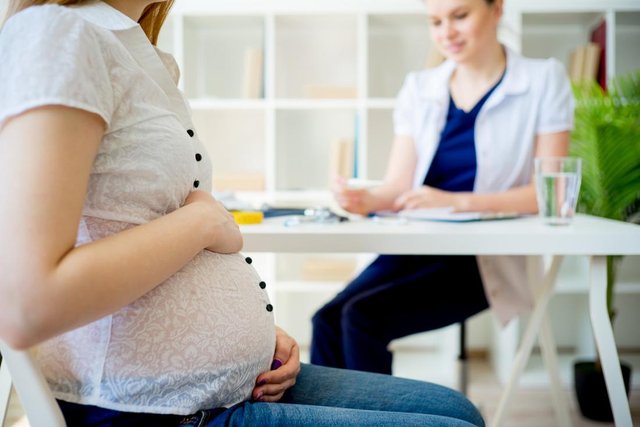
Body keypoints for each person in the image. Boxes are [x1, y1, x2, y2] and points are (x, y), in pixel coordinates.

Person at [0, 0, 485, 426]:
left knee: (459, 411)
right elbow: (28, 305)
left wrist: (253, 337)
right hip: (151, 410)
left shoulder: (133, 49)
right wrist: (202, 223)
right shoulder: (59, 33)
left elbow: (126, 227)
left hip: (228, 386)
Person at [311, 0, 574, 374]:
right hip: (416, 247)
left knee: (360, 318)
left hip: (481, 261)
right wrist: (363, 198)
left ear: (497, 8)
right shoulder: (420, 87)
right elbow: (398, 188)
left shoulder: (543, 80)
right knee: (326, 320)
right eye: (435, 22)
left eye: (460, 16)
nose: (446, 33)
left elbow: (551, 194)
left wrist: (454, 201)